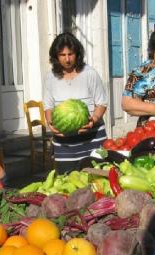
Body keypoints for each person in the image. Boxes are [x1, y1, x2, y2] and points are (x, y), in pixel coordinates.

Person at [44, 32, 108, 174]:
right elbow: (48, 107)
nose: (67, 59)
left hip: (93, 141)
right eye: (62, 55)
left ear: (77, 54)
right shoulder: (50, 78)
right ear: (55, 57)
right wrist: (50, 124)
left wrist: (94, 119)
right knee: (66, 184)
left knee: (96, 183)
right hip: (64, 145)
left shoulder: (90, 73)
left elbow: (102, 103)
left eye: (71, 54)